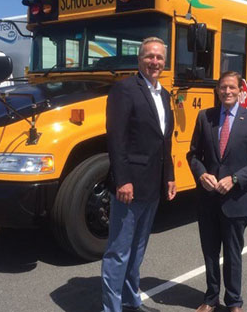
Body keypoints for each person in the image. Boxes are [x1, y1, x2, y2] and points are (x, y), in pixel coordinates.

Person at [102, 37, 176, 312]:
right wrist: (122, 180)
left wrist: (169, 176)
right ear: (139, 59)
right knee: (119, 252)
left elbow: (164, 140)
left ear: (164, 63)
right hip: (129, 186)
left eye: (159, 57)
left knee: (137, 251)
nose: (154, 61)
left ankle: (132, 301)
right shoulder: (125, 89)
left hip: (153, 185)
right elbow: (116, 139)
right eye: (149, 56)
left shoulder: (164, 94)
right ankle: (111, 308)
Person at [187, 71, 247, 312]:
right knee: (210, 253)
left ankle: (234, 301)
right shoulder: (205, 117)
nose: (227, 91)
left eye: (232, 87)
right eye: (223, 87)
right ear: (217, 90)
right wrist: (201, 174)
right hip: (208, 200)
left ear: (240, 91)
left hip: (236, 200)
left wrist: (235, 179)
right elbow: (193, 155)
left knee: (233, 255)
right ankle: (211, 297)